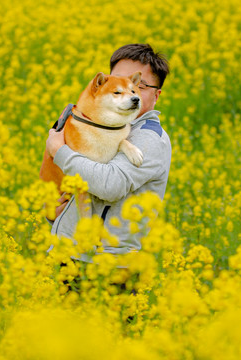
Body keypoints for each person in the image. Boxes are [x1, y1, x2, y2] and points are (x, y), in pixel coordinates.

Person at [45, 43, 171, 263]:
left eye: (138, 85)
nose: (129, 92)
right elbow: (73, 182)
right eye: (117, 83)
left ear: (156, 95)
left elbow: (109, 186)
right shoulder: (99, 125)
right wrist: (55, 215)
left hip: (109, 266)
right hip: (70, 255)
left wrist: (60, 151)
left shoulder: (149, 137)